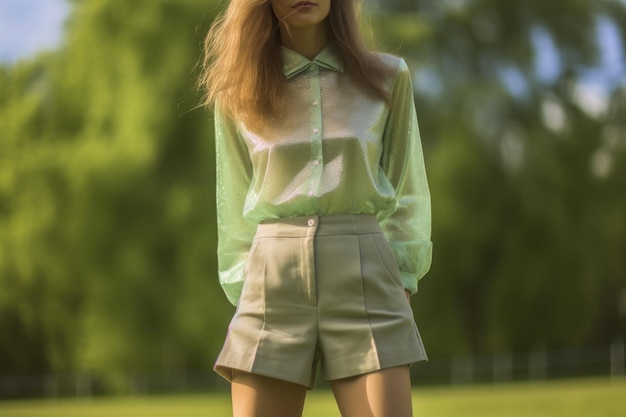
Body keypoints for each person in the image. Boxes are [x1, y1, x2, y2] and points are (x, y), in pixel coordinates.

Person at [199, 1, 432, 416]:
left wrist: (403, 279)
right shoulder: (236, 92)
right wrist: (245, 287)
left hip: (367, 277)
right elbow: (232, 203)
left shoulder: (388, 77)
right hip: (272, 284)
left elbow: (406, 188)